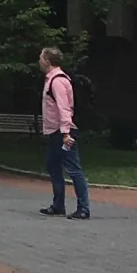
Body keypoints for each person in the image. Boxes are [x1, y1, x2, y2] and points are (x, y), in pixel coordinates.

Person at [38, 47, 91, 220]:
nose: (39, 61)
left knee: (74, 169)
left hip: (63, 132)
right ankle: (58, 205)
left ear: (47, 60)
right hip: (55, 132)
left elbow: (64, 108)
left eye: (41, 57)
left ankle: (83, 208)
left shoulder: (58, 81)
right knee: (52, 166)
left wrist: (66, 133)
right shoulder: (51, 79)